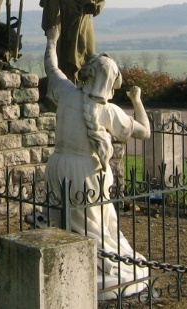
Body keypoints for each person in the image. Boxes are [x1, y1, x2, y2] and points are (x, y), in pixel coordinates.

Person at [44, 24, 151, 297]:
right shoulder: (108, 111)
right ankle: (98, 264)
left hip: (57, 165)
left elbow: (51, 68)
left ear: (87, 73)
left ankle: (65, 264)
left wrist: (52, 40)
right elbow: (145, 131)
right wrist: (137, 100)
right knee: (96, 225)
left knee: (63, 221)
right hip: (86, 172)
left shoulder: (66, 92)